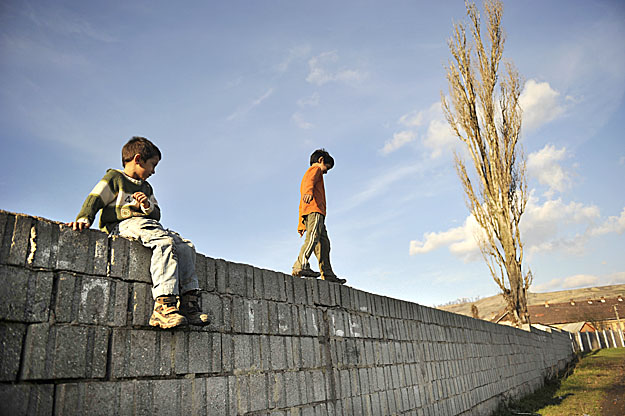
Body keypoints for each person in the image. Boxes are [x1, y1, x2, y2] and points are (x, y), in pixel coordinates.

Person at [66, 136, 209, 329]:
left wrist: (146, 205)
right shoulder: (114, 178)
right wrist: (84, 219)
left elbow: (156, 214)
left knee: (185, 247)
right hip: (122, 224)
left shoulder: (146, 187)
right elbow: (95, 199)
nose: (154, 171)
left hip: (147, 224)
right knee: (164, 243)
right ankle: (163, 305)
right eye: (152, 165)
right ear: (138, 159)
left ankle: (188, 303)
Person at [292, 149, 346, 284]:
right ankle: (300, 265)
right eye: (327, 168)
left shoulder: (316, 174)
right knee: (312, 238)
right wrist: (309, 191)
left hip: (317, 214)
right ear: (321, 160)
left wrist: (301, 223)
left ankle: (327, 273)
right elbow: (308, 184)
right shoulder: (314, 170)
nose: (326, 171)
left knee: (324, 244)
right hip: (314, 211)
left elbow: (301, 204)